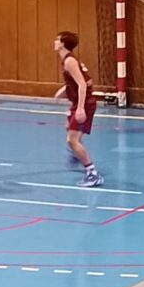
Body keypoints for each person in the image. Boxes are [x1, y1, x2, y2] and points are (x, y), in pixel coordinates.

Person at [54, 31, 103, 188]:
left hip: (84, 103)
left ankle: (92, 173)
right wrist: (64, 90)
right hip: (79, 102)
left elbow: (82, 84)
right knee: (69, 127)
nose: (54, 42)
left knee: (72, 140)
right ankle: (77, 154)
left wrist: (81, 108)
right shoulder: (68, 60)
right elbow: (81, 81)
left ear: (63, 44)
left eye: (57, 40)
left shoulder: (70, 61)